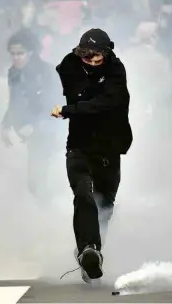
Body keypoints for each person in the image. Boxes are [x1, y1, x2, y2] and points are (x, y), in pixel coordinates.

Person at [52, 28, 133, 283]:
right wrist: (75, 106)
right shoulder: (69, 65)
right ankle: (89, 249)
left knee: (105, 206)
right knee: (83, 194)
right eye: (86, 57)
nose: (92, 61)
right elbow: (79, 92)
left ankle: (93, 251)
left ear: (107, 53)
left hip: (109, 148)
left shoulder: (117, 71)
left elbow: (104, 103)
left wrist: (69, 109)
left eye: (97, 56)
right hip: (79, 146)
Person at [1, 29, 60, 204]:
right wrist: (5, 125)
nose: (16, 57)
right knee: (35, 183)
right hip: (34, 136)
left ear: (31, 52)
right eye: (12, 54)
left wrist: (36, 125)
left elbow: (58, 107)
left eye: (20, 53)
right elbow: (15, 101)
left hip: (55, 132)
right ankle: (51, 215)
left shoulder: (47, 73)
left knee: (44, 181)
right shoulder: (13, 73)